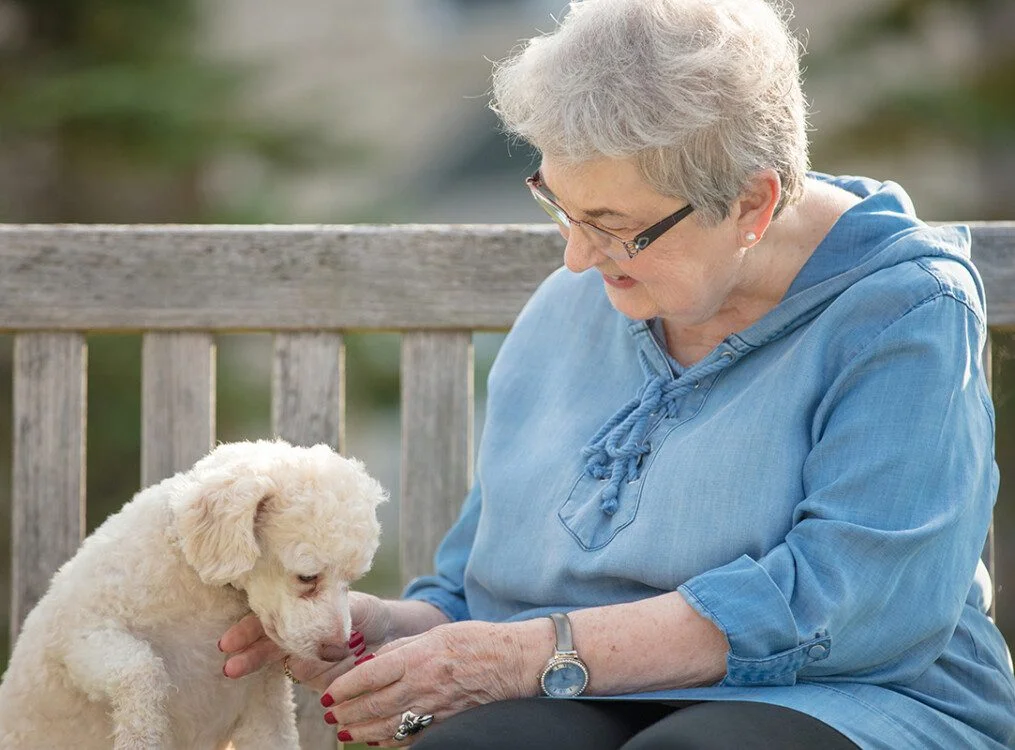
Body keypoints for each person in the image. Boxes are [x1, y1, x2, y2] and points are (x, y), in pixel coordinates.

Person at [220, 0, 1015, 747]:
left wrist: (530, 653)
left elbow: (852, 602)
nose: (575, 258)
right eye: (560, 208)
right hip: (590, 694)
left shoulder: (904, 311)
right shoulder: (579, 295)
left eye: (615, 228)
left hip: (853, 698)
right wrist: (392, 632)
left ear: (752, 204)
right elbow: (484, 586)